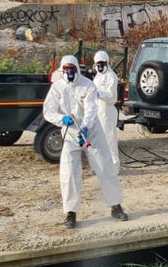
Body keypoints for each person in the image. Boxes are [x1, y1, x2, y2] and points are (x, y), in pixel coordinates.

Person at [42, 54, 129, 227]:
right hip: (70, 132)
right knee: (69, 173)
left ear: (76, 70)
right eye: (66, 69)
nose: (69, 72)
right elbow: (48, 111)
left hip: (92, 131)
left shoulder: (88, 85)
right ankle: (70, 213)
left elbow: (91, 110)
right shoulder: (57, 88)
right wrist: (61, 119)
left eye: (71, 69)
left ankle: (116, 206)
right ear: (62, 70)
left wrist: (86, 128)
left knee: (105, 166)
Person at [91, 50, 122, 170]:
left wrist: (98, 93)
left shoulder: (111, 76)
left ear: (107, 63)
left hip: (107, 111)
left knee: (109, 140)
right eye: (97, 64)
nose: (100, 66)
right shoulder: (98, 77)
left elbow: (110, 94)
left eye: (102, 63)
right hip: (98, 110)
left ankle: (114, 166)